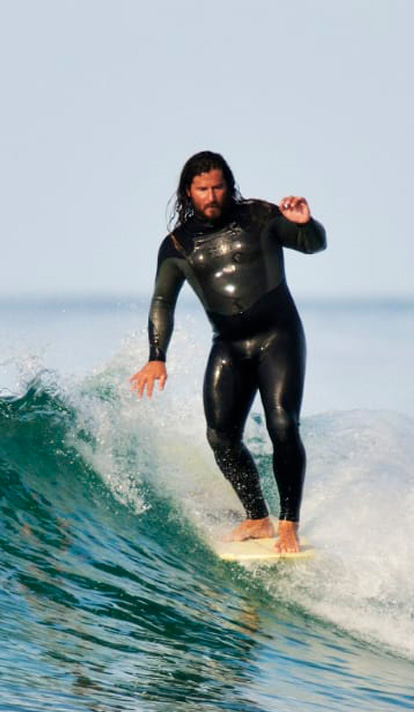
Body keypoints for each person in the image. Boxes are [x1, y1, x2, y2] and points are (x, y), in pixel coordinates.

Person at [129, 151, 326, 553]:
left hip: (278, 336)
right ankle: (257, 517)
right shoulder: (176, 245)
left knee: (282, 425)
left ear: (229, 184)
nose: (212, 195)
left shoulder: (260, 217)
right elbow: (162, 302)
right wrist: (156, 355)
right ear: (189, 191)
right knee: (220, 436)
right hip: (230, 345)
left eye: (218, 186)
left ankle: (289, 523)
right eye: (203, 189)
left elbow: (314, 246)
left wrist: (307, 225)